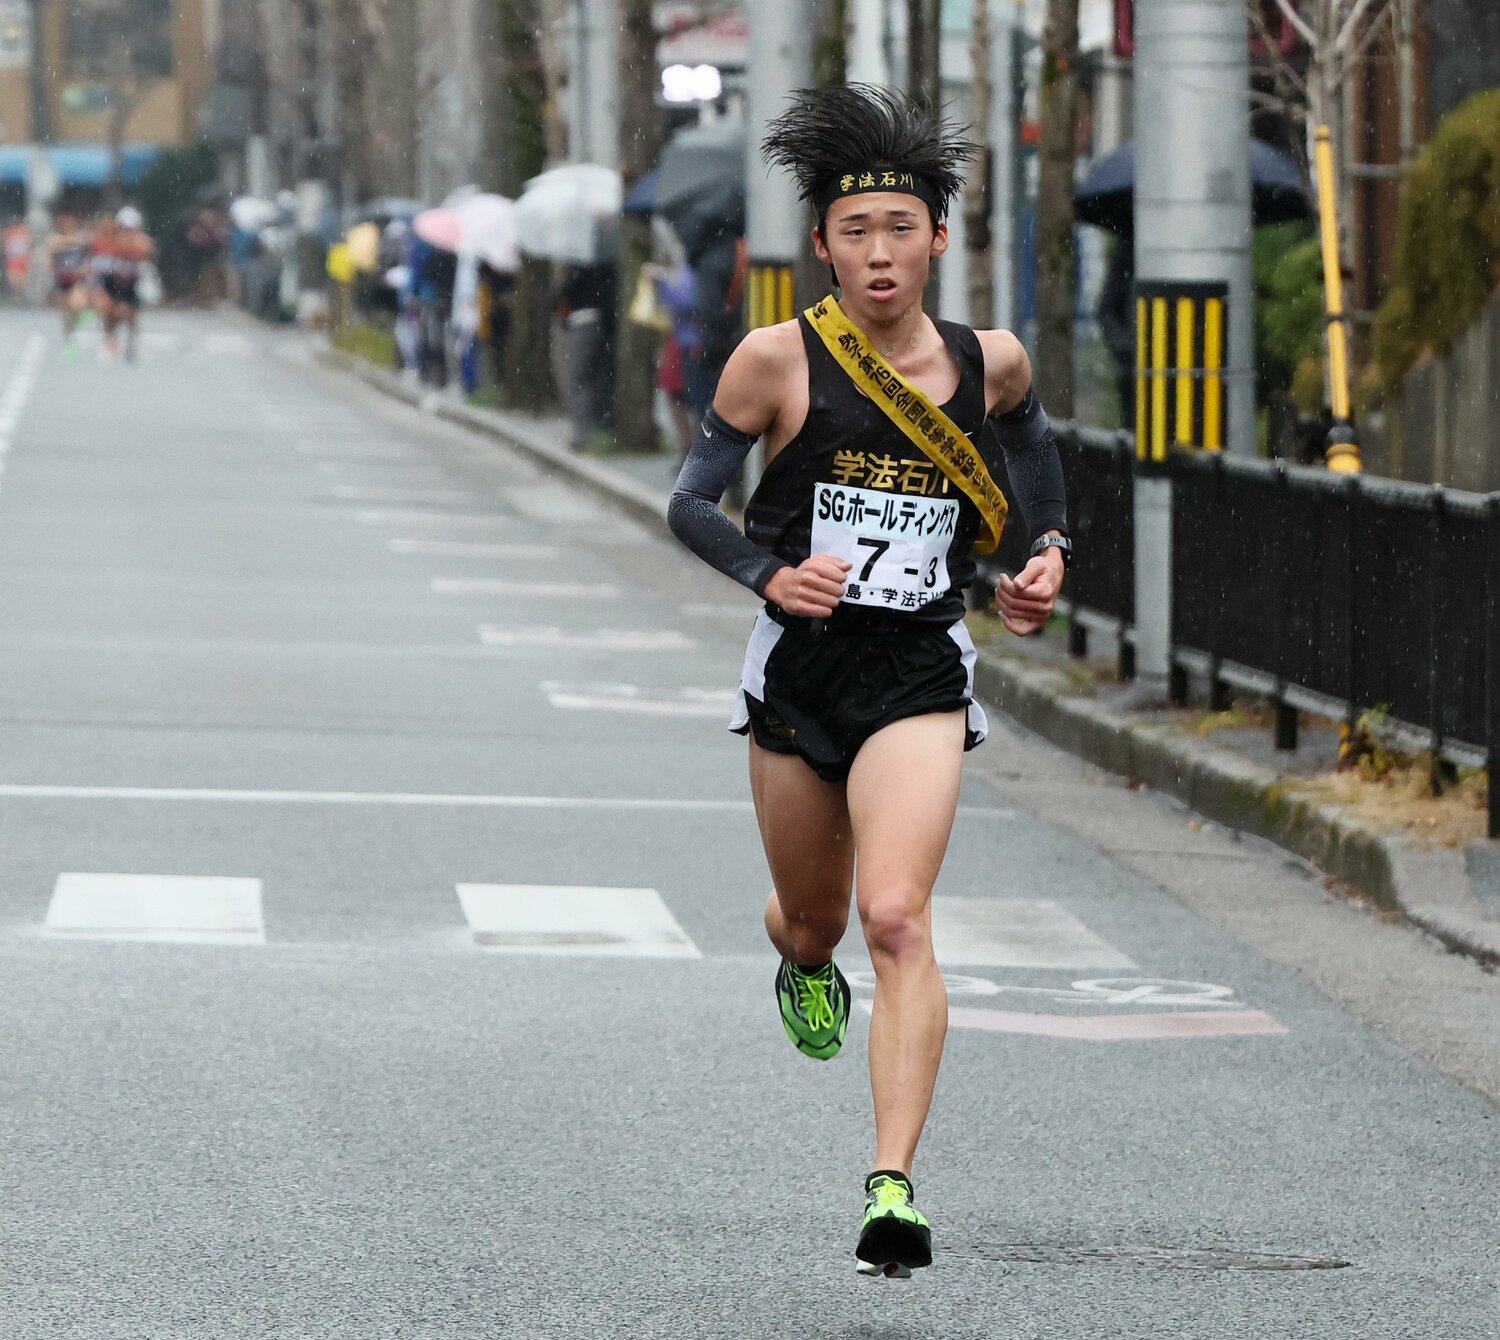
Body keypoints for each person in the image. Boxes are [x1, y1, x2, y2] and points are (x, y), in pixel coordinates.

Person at [666, 84, 1071, 1279]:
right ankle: (795, 959)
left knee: (897, 917)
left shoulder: (988, 362)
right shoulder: (774, 360)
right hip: (800, 676)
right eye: (857, 232)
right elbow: (690, 498)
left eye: (901, 229)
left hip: (917, 672)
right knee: (821, 917)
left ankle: (892, 1184)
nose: (880, 254)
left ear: (938, 238)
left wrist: (1046, 555)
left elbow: (1035, 447)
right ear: (826, 245)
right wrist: (764, 572)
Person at [91, 207, 155, 361]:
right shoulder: (108, 239)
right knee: (107, 309)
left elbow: (146, 250)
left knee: (127, 313)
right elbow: (99, 248)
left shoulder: (141, 241)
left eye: (129, 228)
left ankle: (131, 338)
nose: (125, 231)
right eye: (123, 227)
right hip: (111, 281)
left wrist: (127, 249)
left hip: (130, 283)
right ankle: (110, 337)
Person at [47, 213, 93, 352]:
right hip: (61, 280)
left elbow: (89, 252)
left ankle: (75, 327)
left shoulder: (82, 239)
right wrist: (70, 241)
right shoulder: (55, 239)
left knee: (77, 304)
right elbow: (51, 250)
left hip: (76, 280)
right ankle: (69, 335)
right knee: (66, 311)